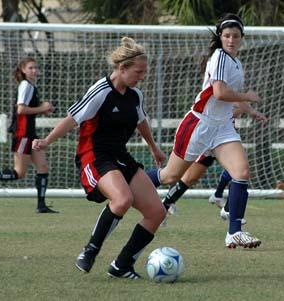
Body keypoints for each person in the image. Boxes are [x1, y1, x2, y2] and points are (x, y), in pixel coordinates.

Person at [32, 37, 166, 279]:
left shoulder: (136, 95)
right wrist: (46, 141)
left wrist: (154, 148)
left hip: (120, 157)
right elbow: (72, 119)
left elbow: (141, 120)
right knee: (122, 199)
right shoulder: (101, 91)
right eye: (138, 71)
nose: (142, 76)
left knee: (157, 212)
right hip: (94, 155)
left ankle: (121, 265)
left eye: (144, 72)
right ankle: (90, 250)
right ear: (122, 68)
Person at [148, 13, 262, 249]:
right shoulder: (219, 56)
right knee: (170, 176)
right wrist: (247, 96)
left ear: (242, 38)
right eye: (227, 35)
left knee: (241, 172)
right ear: (220, 37)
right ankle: (131, 181)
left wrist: (251, 110)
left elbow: (230, 100)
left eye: (236, 36)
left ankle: (234, 233)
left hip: (222, 128)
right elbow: (220, 93)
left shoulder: (236, 63)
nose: (231, 40)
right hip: (200, 124)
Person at [163, 102, 267, 226]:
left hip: (223, 138)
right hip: (208, 137)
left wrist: (250, 111)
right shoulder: (217, 91)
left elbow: (238, 106)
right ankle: (163, 208)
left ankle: (226, 208)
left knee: (238, 170)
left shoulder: (233, 93)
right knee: (189, 178)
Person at [0, 57, 58, 214]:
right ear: (23, 70)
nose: (34, 70)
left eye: (36, 67)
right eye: (30, 68)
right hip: (22, 134)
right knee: (19, 173)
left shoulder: (31, 86)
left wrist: (43, 109)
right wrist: (41, 107)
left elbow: (27, 110)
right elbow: (21, 110)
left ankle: (41, 205)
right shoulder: (25, 85)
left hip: (30, 134)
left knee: (43, 167)